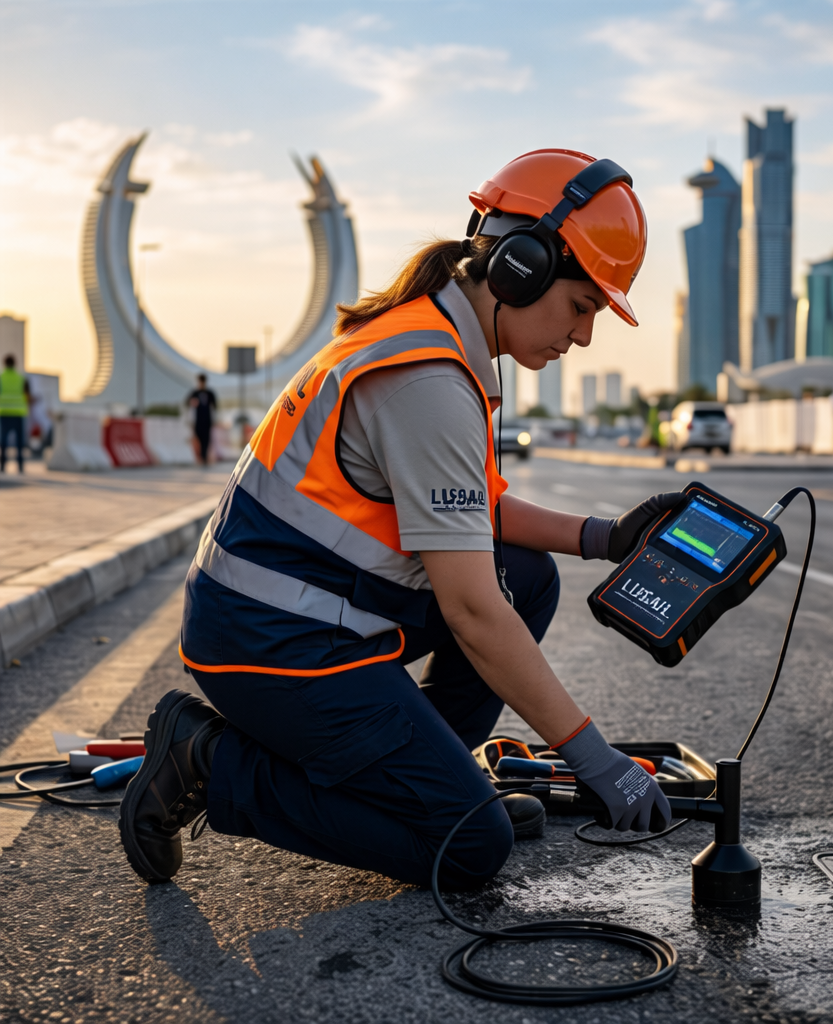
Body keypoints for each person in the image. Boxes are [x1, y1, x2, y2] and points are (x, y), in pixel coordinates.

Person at [119, 150, 675, 893]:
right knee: (470, 848)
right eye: (583, 306)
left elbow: (471, 513)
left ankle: (426, 778)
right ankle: (207, 760)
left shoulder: (437, 339)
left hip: (298, 613)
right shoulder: (426, 378)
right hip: (270, 642)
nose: (583, 336)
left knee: (529, 578)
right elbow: (473, 612)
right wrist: (598, 762)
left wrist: (603, 537)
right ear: (522, 268)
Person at [0, 354, 30, 473]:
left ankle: (2, 466)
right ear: (15, 363)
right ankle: (21, 466)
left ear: (4, 363)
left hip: (4, 413)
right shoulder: (22, 379)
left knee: (4, 442)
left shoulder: (1, 378)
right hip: (18, 413)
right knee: (19, 442)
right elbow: (27, 396)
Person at [187, 374, 217, 465]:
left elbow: (215, 406)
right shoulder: (194, 393)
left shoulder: (210, 393)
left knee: (206, 440)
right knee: (198, 439)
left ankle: (204, 457)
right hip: (197, 422)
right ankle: (200, 457)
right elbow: (187, 403)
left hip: (207, 421)